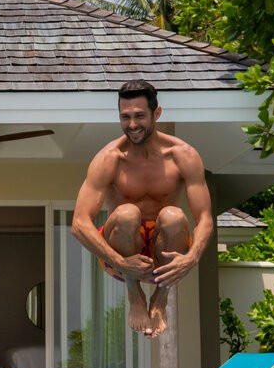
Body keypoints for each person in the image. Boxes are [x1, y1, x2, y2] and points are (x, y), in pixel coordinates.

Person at [71, 79, 213, 337]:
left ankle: (162, 295)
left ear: (156, 113)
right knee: (127, 213)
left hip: (164, 252)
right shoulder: (110, 158)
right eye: (125, 117)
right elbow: (79, 224)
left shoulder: (183, 155)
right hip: (121, 253)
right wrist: (121, 263)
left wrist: (192, 258)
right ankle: (134, 293)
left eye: (139, 116)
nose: (132, 125)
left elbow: (204, 218)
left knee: (173, 215)